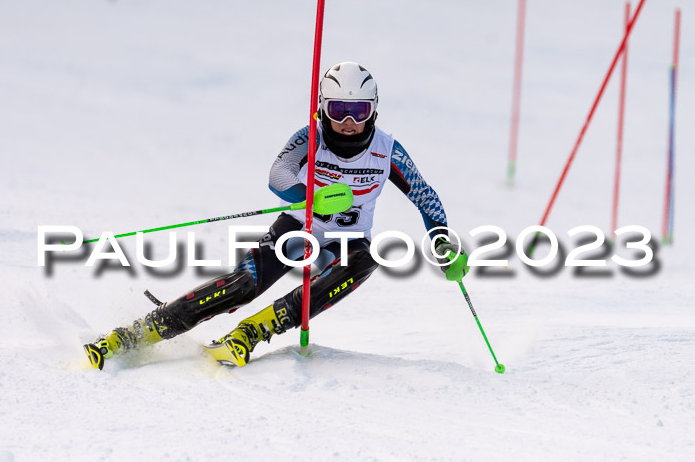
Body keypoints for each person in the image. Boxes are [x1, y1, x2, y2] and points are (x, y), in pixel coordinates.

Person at [84, 61, 469, 370]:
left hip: (346, 243)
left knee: (367, 259)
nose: (348, 121)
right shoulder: (310, 136)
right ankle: (134, 334)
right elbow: (278, 175)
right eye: (338, 109)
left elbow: (423, 193)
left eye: (358, 110)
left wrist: (440, 239)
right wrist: (311, 199)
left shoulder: (388, 150)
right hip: (299, 229)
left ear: (373, 111)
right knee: (242, 286)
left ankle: (252, 331)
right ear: (323, 106)